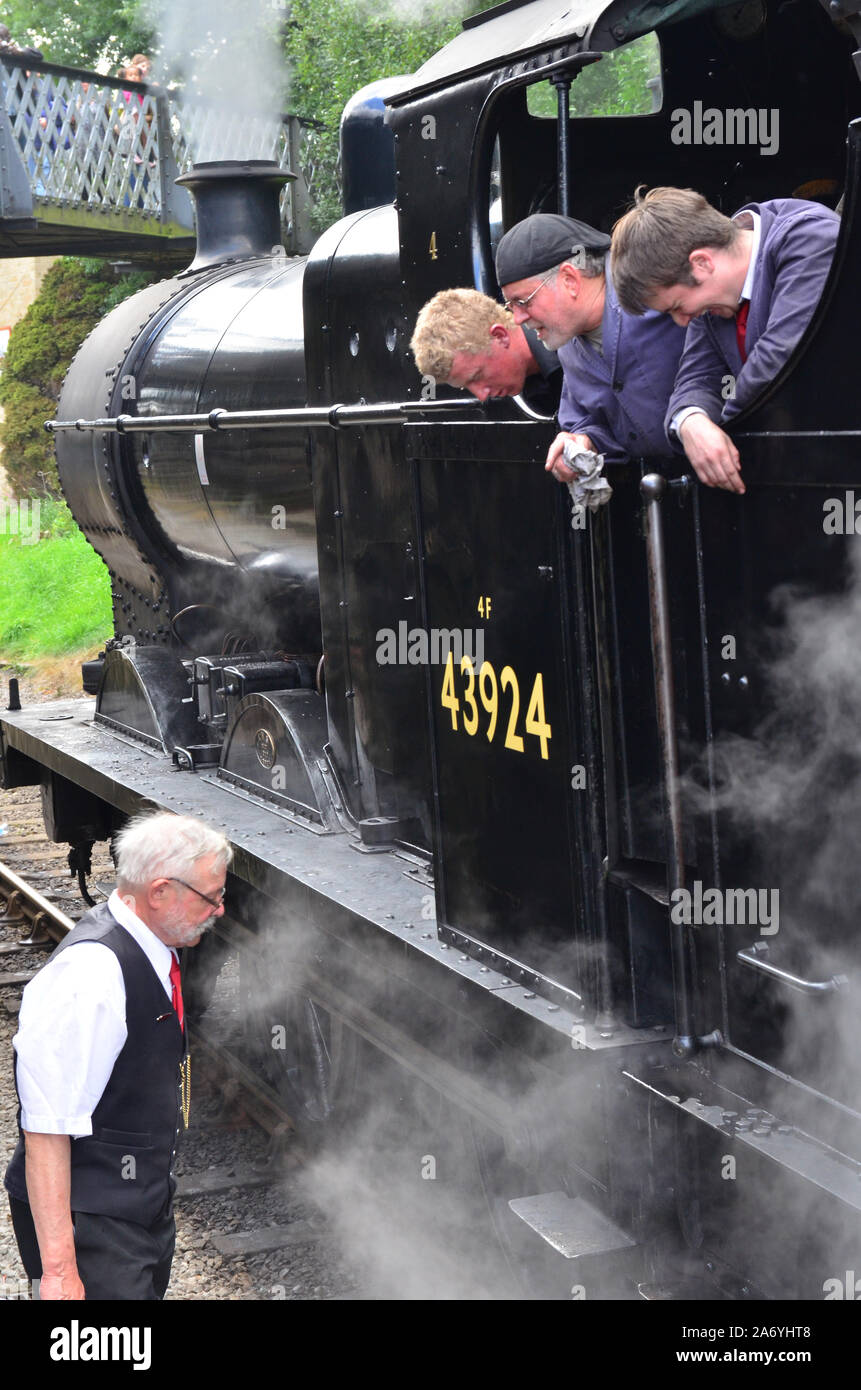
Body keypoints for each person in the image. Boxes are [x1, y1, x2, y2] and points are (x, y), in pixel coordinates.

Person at [4, 811, 232, 1300]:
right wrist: (61, 1271)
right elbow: (46, 1128)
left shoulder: (154, 945)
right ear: (159, 892)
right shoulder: (90, 976)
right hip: (93, 1220)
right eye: (211, 897)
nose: (219, 911)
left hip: (137, 1205)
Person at [610, 186, 841, 494]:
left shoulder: (809, 239)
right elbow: (696, 378)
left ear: (702, 263)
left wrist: (722, 431)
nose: (682, 320)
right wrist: (692, 422)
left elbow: (778, 360)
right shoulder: (710, 300)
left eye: (677, 307)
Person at [495, 213, 687, 483]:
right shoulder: (566, 338)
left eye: (522, 301)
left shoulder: (653, 287)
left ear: (570, 280)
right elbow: (588, 419)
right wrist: (584, 442)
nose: (517, 318)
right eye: (510, 306)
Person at [410, 287, 563, 414]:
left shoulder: (576, 341)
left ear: (500, 336)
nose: (482, 396)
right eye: (466, 386)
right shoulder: (536, 394)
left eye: (477, 376)